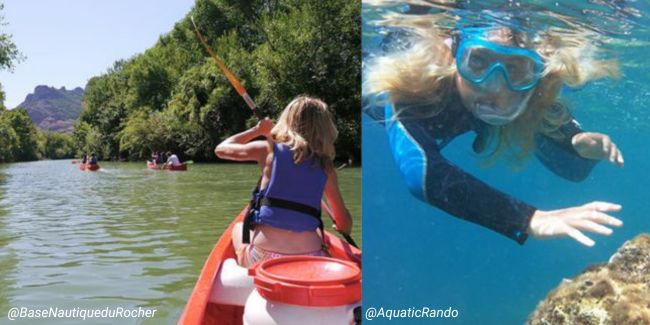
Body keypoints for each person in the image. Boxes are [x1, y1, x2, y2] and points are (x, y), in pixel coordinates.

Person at [364, 20, 624, 247]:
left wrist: (573, 141)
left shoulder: (524, 92)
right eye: (478, 61)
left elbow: (574, 170)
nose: (494, 86)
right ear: (456, 58)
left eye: (514, 69)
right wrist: (528, 218)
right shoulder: (415, 85)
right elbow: (421, 174)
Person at [215, 96, 353, 267]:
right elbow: (344, 224)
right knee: (320, 238)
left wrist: (257, 130)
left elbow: (220, 149)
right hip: (310, 257)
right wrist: (340, 224)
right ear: (326, 128)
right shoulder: (326, 166)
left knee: (238, 229)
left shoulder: (267, 150)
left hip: (264, 258)